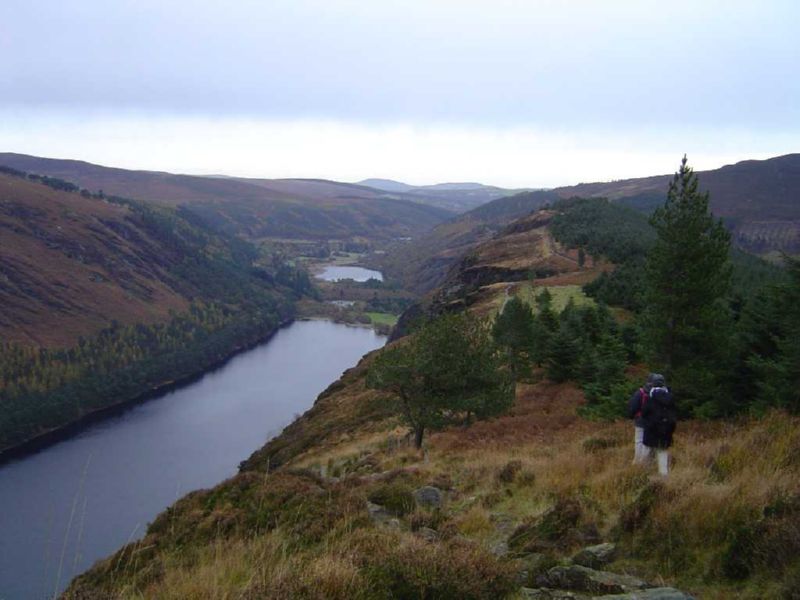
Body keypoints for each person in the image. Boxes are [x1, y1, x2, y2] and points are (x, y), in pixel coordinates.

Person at [640, 374, 676, 476]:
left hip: (651, 431)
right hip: (666, 431)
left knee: (647, 454)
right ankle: (664, 477)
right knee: (662, 454)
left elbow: (644, 413)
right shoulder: (670, 398)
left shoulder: (650, 397)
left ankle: (644, 475)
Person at [627, 373, 657, 464]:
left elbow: (633, 407)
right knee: (649, 442)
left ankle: (638, 461)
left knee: (639, 441)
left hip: (640, 420)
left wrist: (632, 416)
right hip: (653, 421)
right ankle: (647, 461)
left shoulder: (640, 392)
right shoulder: (658, 393)